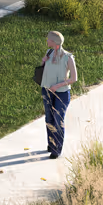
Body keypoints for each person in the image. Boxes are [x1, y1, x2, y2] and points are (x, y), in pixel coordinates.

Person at [38, 30, 79, 159]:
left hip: (61, 93)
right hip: (47, 91)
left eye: (48, 39)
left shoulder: (68, 57)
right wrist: (44, 61)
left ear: (54, 42)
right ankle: (51, 143)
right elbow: (43, 68)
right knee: (49, 118)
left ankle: (57, 149)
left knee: (58, 119)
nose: (47, 41)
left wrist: (57, 86)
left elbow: (74, 78)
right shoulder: (49, 52)